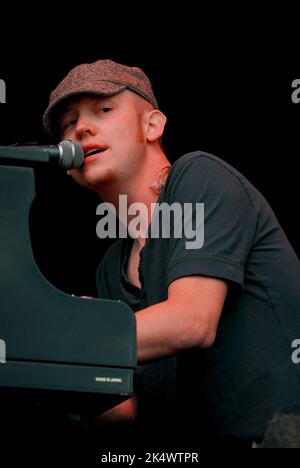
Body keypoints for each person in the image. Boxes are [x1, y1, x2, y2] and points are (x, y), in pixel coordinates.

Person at [42, 59, 300, 448]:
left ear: (152, 125)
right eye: (68, 123)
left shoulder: (199, 177)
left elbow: (192, 321)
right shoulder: (110, 268)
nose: (81, 128)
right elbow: (125, 412)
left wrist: (69, 340)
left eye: (104, 109)